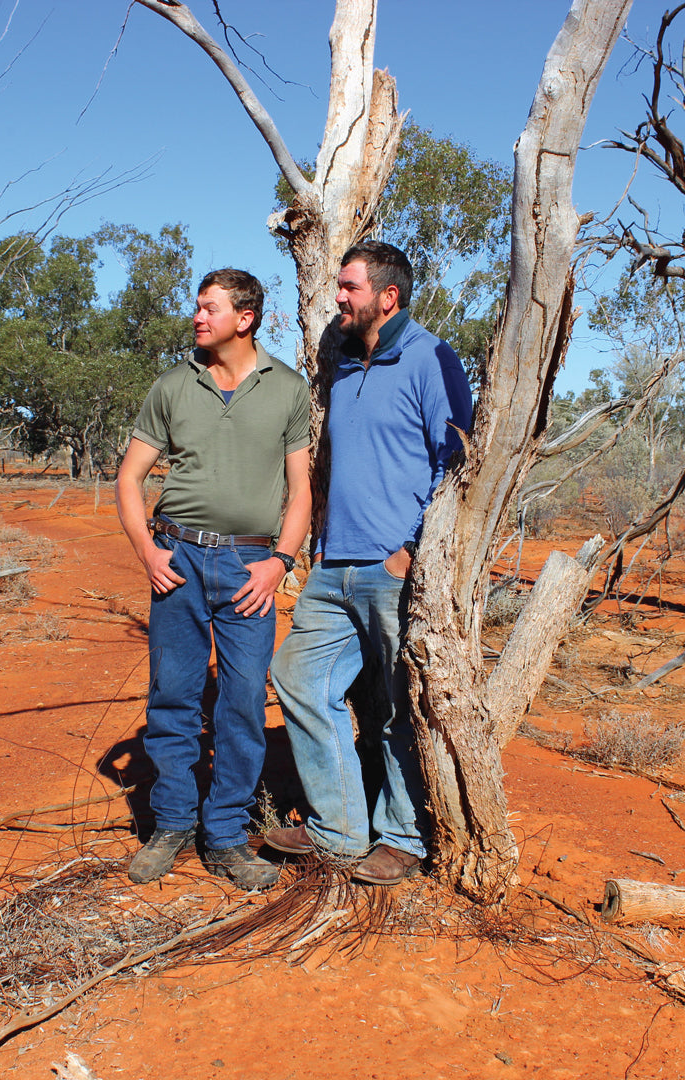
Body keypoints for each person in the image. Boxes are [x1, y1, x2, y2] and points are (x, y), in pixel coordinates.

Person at [264, 240, 473, 886]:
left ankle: (404, 838)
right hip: (333, 566)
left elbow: (458, 463)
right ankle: (338, 827)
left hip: (393, 569)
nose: (338, 297)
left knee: (399, 705)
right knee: (298, 677)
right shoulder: (344, 363)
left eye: (349, 286)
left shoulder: (430, 358)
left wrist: (411, 553)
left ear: (388, 296)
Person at [115, 268, 311, 890]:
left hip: (251, 567)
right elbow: (129, 478)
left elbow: (302, 490)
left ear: (245, 318)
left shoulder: (289, 389)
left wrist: (280, 562)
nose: (198, 317)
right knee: (173, 696)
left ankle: (225, 834)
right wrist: (147, 552)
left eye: (210, 308)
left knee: (244, 701)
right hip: (177, 559)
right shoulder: (174, 385)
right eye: (197, 307)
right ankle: (172, 823)